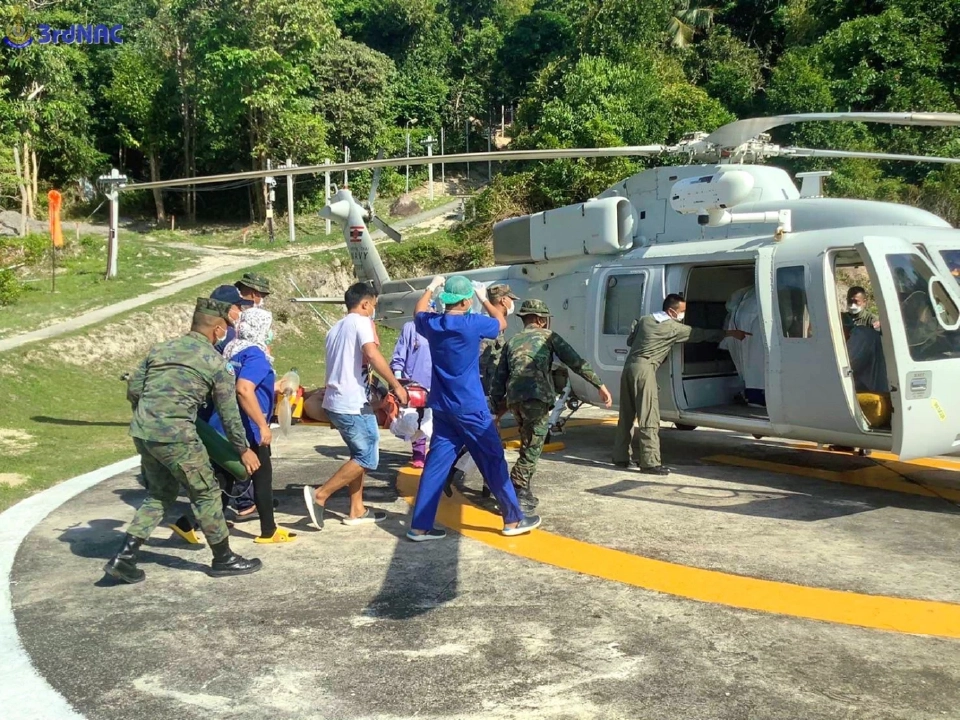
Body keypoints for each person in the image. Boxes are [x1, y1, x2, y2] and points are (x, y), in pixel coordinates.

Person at [103, 297, 263, 584]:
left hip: (143, 432)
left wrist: (154, 412)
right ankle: (223, 558)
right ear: (217, 329)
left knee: (159, 494)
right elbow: (229, 414)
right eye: (225, 326)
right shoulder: (216, 362)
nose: (226, 331)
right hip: (178, 437)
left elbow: (134, 388)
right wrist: (243, 450)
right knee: (206, 493)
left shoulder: (161, 350)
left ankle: (124, 558)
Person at [408, 274, 541, 541]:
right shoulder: (472, 323)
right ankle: (513, 520)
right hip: (470, 407)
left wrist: (430, 287)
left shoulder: (433, 323)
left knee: (436, 466)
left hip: (443, 408)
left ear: (446, 300)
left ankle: (420, 526)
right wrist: (484, 297)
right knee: (493, 460)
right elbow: (500, 323)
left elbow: (418, 311)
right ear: (467, 301)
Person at [302, 282, 409, 529]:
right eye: (373, 305)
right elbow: (371, 354)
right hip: (352, 403)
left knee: (357, 455)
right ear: (365, 304)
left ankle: (357, 509)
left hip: (336, 401)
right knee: (367, 457)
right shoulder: (362, 323)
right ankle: (320, 495)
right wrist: (396, 385)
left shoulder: (335, 328)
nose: (374, 310)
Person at [490, 299, 612, 511]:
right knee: (533, 446)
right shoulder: (549, 337)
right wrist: (599, 385)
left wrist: (495, 411)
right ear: (540, 320)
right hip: (537, 398)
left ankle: (522, 488)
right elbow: (576, 362)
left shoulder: (512, 341)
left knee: (529, 441)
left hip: (515, 400)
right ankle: (517, 488)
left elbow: (499, 379)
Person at [614, 294, 750, 475]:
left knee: (626, 415)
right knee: (649, 417)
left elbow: (630, 341)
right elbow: (701, 334)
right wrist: (731, 333)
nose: (683, 315)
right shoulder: (673, 328)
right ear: (671, 311)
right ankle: (650, 462)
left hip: (629, 367)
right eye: (682, 311)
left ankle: (620, 457)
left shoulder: (645, 320)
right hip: (645, 371)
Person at [208, 307, 296, 544]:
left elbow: (242, 381)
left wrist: (274, 386)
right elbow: (244, 389)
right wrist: (262, 426)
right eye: (268, 328)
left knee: (223, 481)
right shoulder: (256, 355)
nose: (270, 333)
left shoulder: (232, 349)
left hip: (222, 426)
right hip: (247, 428)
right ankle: (269, 530)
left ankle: (190, 524)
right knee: (262, 477)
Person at [446, 283, 520, 494]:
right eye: (511, 299)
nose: (512, 303)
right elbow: (480, 366)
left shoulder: (487, 324)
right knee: (487, 442)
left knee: (488, 442)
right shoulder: (488, 326)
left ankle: (484, 484)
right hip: (482, 397)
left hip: (486, 396)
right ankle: (458, 475)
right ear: (504, 300)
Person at [390, 320, 432, 467]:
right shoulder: (411, 327)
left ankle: (433, 453)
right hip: (414, 382)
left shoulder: (440, 325)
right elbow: (400, 351)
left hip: (435, 381)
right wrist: (397, 377)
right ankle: (419, 453)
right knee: (416, 419)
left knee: (433, 420)